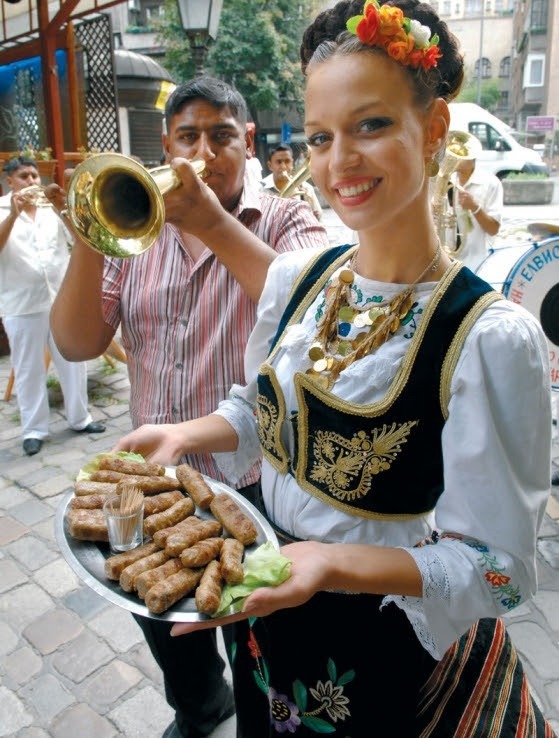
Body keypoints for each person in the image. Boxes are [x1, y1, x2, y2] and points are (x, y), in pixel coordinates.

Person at [113, 2, 556, 736]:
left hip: (385, 637)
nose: (338, 161)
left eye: (370, 125)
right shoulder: (299, 279)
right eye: (320, 137)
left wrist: (332, 566)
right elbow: (262, 411)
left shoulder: (486, 338)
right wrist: (181, 433)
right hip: (271, 602)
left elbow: (501, 569)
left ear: (435, 128)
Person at [50, 77, 329, 738]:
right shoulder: (138, 229)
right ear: (166, 146)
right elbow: (76, 341)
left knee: (259, 639)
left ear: (248, 142)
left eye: (221, 135)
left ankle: (256, 715)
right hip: (155, 479)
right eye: (188, 137)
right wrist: (93, 231)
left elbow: (313, 321)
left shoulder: (289, 218)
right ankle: (201, 708)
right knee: (160, 622)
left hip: (253, 484)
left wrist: (209, 220)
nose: (203, 151)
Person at [0, 156, 105, 457]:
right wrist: (12, 215)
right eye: (24, 176)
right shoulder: (1, 210)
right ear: (10, 181)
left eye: (35, 176)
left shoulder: (50, 210)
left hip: (60, 299)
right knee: (28, 369)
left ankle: (80, 418)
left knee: (72, 362)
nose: (32, 182)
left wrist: (61, 208)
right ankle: (34, 429)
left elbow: (79, 237)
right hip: (22, 304)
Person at [447, 150, 504, 272]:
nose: (454, 158)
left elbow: (493, 229)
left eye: (459, 154)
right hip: (448, 261)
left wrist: (474, 207)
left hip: (478, 261)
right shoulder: (446, 181)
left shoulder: (490, 183)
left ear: (471, 156)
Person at [261, 143, 323, 220]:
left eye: (287, 161)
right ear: (270, 165)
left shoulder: (306, 188)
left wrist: (313, 218)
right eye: (278, 162)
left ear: (292, 163)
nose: (283, 167)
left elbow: (319, 219)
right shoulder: (260, 189)